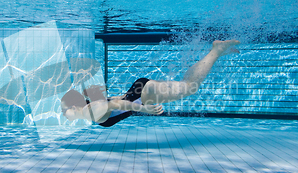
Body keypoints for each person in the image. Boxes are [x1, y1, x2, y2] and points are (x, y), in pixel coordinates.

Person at [61, 40, 240, 127]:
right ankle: (213, 54)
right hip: (140, 91)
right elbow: (114, 102)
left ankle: (215, 51)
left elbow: (115, 104)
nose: (63, 114)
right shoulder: (89, 110)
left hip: (143, 96)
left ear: (74, 106)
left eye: (64, 110)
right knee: (187, 85)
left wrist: (144, 109)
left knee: (189, 87)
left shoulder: (89, 112)